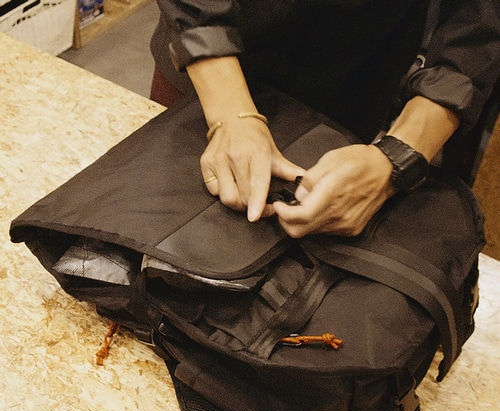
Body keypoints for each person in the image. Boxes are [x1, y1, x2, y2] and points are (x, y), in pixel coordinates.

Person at [150, 0, 500, 237]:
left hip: (350, 87)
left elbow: (480, 24)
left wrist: (398, 156)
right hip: (201, 70)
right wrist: (229, 111)